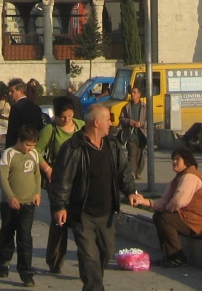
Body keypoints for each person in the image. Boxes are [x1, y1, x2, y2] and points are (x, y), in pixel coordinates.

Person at [49, 104, 146, 291]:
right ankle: (94, 286)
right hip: (82, 213)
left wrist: (130, 191)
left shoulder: (112, 144)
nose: (111, 123)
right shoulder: (73, 147)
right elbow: (62, 180)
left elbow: (123, 171)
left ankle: (93, 279)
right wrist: (60, 206)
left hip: (106, 212)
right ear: (96, 122)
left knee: (106, 251)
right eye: (108, 120)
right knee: (89, 255)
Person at [150, 147, 202, 268]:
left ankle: (178, 257)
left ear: (187, 161)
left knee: (164, 219)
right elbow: (165, 200)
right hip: (190, 218)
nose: (174, 162)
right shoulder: (179, 177)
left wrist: (165, 209)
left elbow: (178, 202)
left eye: (177, 159)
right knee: (158, 216)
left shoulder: (190, 176)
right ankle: (169, 255)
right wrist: (145, 202)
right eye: (173, 159)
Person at [37, 97, 83, 275]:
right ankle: (55, 260)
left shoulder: (80, 126)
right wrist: (47, 169)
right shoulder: (50, 129)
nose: (67, 120)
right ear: (56, 115)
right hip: (58, 179)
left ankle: (85, 258)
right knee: (59, 220)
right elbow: (36, 151)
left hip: (79, 179)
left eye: (70, 116)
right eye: (63, 117)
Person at [0, 125, 41, 287]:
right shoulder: (9, 154)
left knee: (25, 236)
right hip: (9, 204)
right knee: (7, 232)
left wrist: (37, 193)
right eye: (27, 145)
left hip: (28, 203)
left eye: (33, 145)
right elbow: (2, 178)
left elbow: (37, 175)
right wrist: (10, 196)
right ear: (19, 141)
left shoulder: (34, 154)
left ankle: (25, 271)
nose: (30, 148)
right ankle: (4, 261)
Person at [5, 81, 45, 150]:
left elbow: (13, 130)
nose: (9, 94)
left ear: (21, 91)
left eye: (12, 91)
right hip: (33, 145)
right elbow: (40, 127)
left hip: (18, 146)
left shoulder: (16, 107)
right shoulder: (36, 107)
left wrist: (8, 148)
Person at [117, 85, 147, 178]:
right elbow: (121, 119)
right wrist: (129, 122)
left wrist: (141, 124)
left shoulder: (145, 107)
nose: (132, 94)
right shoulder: (127, 107)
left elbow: (149, 121)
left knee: (139, 155)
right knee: (132, 155)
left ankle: (138, 172)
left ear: (139, 94)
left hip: (142, 135)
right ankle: (131, 173)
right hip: (131, 135)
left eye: (134, 92)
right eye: (132, 92)